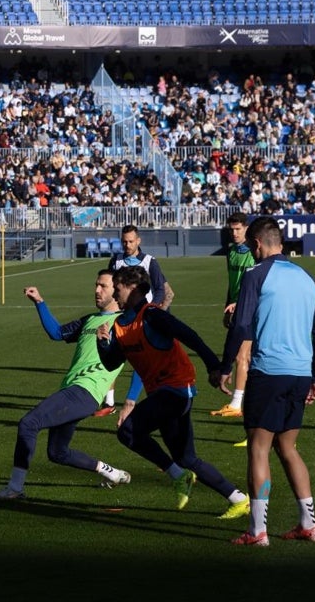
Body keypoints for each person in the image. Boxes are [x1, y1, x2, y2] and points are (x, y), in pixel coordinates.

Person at [96, 265, 249, 517]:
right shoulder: (119, 326)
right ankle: (238, 498)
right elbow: (112, 363)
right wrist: (103, 344)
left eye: (118, 289)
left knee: (128, 432)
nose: (114, 295)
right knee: (186, 458)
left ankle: (178, 476)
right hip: (162, 393)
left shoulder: (152, 315)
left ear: (134, 289)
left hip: (177, 389)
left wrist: (214, 366)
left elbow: (189, 335)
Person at [212, 216, 315, 546]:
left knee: (259, 448)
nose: (250, 250)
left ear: (259, 244)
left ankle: (257, 530)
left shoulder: (256, 274)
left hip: (268, 373)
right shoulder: (307, 277)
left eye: (250, 245)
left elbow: (241, 325)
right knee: (288, 447)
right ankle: (309, 524)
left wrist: (224, 367)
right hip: (300, 373)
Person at [0, 272, 132, 500]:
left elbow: (140, 365)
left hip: (86, 391)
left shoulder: (124, 324)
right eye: (96, 285)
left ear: (117, 290)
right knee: (57, 453)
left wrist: (129, 401)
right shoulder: (89, 320)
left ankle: (15, 488)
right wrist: (40, 302)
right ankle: (112, 473)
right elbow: (57, 333)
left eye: (103, 286)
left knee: (29, 423)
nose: (97, 290)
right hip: (72, 389)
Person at [101, 224, 173, 416]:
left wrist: (152, 309)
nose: (127, 244)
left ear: (138, 241)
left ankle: (131, 400)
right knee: (112, 356)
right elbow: (109, 286)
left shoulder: (150, 261)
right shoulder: (116, 261)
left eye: (131, 241)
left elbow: (160, 289)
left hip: (143, 318)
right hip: (121, 317)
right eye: (124, 241)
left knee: (141, 359)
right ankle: (108, 402)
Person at [211, 213, 255, 426]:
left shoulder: (255, 252)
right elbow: (233, 283)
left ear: (246, 228)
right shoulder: (230, 252)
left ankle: (237, 404)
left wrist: (240, 304)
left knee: (242, 357)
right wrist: (228, 306)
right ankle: (242, 402)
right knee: (246, 357)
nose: (235, 233)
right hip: (237, 308)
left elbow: (256, 285)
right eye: (232, 229)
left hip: (251, 309)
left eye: (238, 229)